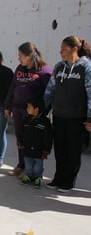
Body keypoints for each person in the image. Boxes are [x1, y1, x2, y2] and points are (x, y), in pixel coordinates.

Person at [44, 36, 91, 192]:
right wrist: (43, 109)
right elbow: (50, 90)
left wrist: (90, 117)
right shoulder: (59, 67)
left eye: (64, 49)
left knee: (73, 150)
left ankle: (68, 180)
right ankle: (58, 177)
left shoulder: (86, 67)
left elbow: (90, 93)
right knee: (60, 149)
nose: (60, 52)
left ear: (74, 49)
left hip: (77, 117)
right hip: (59, 115)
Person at [5, 42, 52, 176]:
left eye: (21, 56)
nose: (19, 59)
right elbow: (12, 87)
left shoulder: (44, 71)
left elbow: (48, 95)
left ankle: (32, 171)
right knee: (20, 139)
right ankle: (21, 164)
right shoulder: (20, 68)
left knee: (33, 141)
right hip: (17, 110)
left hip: (32, 113)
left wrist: (42, 113)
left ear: (30, 55)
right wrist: (8, 106)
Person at [20, 98, 53, 188]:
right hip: (27, 148)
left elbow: (48, 137)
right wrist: (20, 142)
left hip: (39, 150)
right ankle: (29, 176)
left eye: (29, 107)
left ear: (36, 109)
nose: (27, 109)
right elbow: (22, 132)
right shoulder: (26, 120)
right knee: (28, 165)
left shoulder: (45, 122)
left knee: (38, 166)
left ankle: (37, 178)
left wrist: (46, 149)